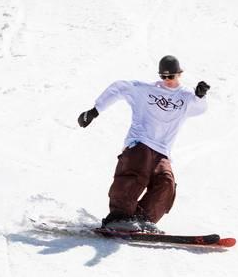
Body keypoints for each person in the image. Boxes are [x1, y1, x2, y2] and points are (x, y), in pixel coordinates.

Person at [77, 55, 210, 233]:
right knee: (136, 171)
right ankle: (119, 217)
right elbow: (120, 87)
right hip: (139, 143)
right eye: (163, 77)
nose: (167, 80)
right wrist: (95, 110)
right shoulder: (146, 90)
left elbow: (199, 108)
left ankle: (142, 220)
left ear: (179, 74)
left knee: (166, 182)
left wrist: (200, 96)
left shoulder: (186, 96)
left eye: (171, 76)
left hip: (162, 151)